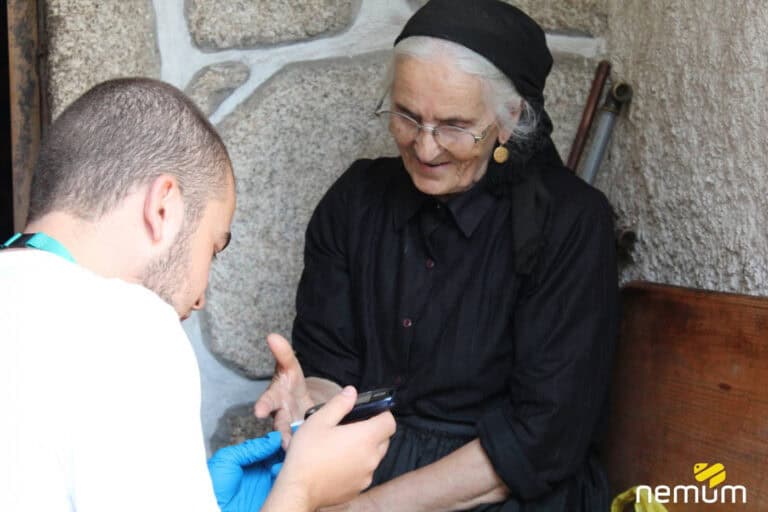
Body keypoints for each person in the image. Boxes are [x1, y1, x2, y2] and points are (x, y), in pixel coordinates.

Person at [254, 1, 619, 510]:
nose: (425, 149)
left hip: (493, 487)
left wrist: (367, 509)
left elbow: (538, 441)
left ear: (508, 118)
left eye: (453, 125)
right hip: (364, 463)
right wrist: (307, 399)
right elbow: (328, 369)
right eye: (407, 116)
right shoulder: (355, 202)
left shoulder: (570, 225)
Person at [0, 78, 395, 512]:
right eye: (213, 247)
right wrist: (301, 490)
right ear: (163, 208)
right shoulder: (131, 326)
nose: (201, 298)